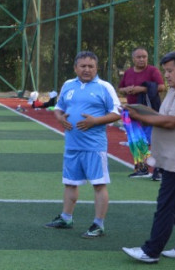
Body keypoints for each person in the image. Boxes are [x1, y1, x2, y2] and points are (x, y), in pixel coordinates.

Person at [121, 51, 175, 263]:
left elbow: (172, 121)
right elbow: (163, 116)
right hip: (173, 156)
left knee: (166, 204)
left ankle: (151, 251)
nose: (166, 75)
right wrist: (140, 110)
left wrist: (139, 116)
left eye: (170, 71)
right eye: (165, 71)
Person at [45, 51, 121, 238]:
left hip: (94, 147)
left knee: (99, 184)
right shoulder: (68, 85)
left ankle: (98, 224)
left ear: (96, 68)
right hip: (72, 145)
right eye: (83, 66)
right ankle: (66, 218)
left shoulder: (104, 87)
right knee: (70, 183)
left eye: (91, 66)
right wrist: (60, 118)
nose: (87, 69)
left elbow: (117, 112)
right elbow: (59, 108)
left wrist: (95, 121)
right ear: (75, 68)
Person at [118, 47, 165, 178]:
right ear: (133, 59)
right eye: (139, 57)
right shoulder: (128, 72)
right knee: (136, 141)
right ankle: (141, 168)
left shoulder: (153, 71)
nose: (142, 59)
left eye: (144, 57)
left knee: (152, 141)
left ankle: (158, 169)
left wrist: (142, 89)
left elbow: (162, 87)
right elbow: (120, 88)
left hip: (148, 111)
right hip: (131, 111)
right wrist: (126, 89)